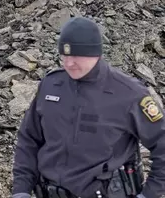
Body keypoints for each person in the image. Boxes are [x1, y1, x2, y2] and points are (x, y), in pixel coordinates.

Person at [12, 16, 165, 198]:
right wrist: (21, 190)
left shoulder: (129, 94)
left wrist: (150, 193)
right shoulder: (50, 85)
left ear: (96, 54)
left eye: (76, 56)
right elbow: (29, 139)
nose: (69, 63)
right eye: (64, 56)